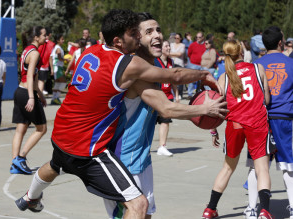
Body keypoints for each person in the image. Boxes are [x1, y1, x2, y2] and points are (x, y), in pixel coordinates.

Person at [15, 9, 225, 219]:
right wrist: (205, 99)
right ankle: (31, 197)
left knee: (55, 165)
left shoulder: (92, 51)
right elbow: (170, 96)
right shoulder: (129, 65)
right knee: (137, 206)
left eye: (157, 30)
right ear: (118, 41)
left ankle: (30, 197)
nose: (148, 36)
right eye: (138, 33)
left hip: (65, 136)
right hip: (100, 151)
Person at [103, 12, 228, 219]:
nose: (157, 35)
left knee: (147, 213)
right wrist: (205, 109)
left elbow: (177, 75)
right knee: (134, 212)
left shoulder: (157, 66)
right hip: (123, 158)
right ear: (136, 38)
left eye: (159, 30)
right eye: (149, 31)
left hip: (141, 157)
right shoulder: (134, 68)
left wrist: (210, 120)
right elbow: (166, 109)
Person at [201, 40, 273, 219]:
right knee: (262, 168)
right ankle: (264, 211)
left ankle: (210, 209)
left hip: (235, 125)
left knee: (227, 168)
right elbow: (267, 99)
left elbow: (218, 109)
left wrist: (213, 130)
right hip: (256, 122)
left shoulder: (224, 77)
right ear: (242, 52)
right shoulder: (258, 69)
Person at [245, 26, 293, 219]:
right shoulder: (290, 63)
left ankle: (250, 209)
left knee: (256, 165)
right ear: (281, 42)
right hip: (284, 119)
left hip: (260, 119)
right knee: (288, 165)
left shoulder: (256, 65)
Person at [10, 26, 47, 175]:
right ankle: (21, 157)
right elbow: (31, 75)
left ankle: (14, 164)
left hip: (20, 91)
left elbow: (34, 75)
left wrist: (41, 95)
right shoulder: (35, 53)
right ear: (36, 37)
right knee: (42, 128)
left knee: (21, 129)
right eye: (44, 35)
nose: (46, 38)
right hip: (26, 93)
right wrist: (32, 97)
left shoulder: (26, 50)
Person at [187, 31, 206, 99]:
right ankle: (190, 93)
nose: (198, 38)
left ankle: (198, 92)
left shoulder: (205, 45)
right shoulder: (192, 44)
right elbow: (189, 54)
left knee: (200, 80)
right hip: (193, 64)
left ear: (203, 37)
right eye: (197, 37)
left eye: (199, 37)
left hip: (202, 65)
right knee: (191, 79)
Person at [37, 27, 55, 96]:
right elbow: (50, 57)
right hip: (44, 65)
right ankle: (39, 97)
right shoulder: (51, 44)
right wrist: (52, 69)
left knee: (37, 81)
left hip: (37, 64)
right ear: (49, 34)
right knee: (41, 82)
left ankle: (37, 96)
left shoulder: (39, 41)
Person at [50, 34, 66, 105]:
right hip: (57, 67)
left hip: (56, 67)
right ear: (58, 40)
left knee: (57, 83)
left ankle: (53, 99)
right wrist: (66, 60)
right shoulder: (58, 48)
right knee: (63, 82)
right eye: (62, 39)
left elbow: (50, 57)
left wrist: (51, 68)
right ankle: (56, 97)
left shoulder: (56, 47)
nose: (63, 40)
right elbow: (59, 58)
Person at [170, 33, 185, 99]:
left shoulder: (182, 45)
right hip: (172, 63)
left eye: (177, 38)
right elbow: (168, 53)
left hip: (179, 63)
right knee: (172, 79)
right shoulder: (171, 45)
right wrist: (174, 54)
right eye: (175, 38)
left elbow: (180, 54)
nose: (176, 39)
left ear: (180, 38)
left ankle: (180, 94)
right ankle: (173, 93)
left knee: (180, 79)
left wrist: (171, 54)